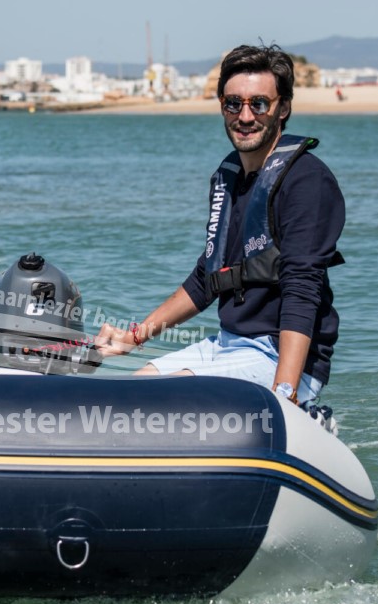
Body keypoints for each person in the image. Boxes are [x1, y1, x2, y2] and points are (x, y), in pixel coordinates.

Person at [95, 44, 346, 408]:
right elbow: (206, 279)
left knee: (153, 401)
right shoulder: (228, 178)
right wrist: (133, 338)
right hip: (226, 344)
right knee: (124, 396)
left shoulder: (307, 181)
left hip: (279, 357)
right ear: (222, 107)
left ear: (283, 108)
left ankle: (304, 408)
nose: (245, 116)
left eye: (259, 104)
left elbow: (302, 289)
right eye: (233, 103)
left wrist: (285, 395)